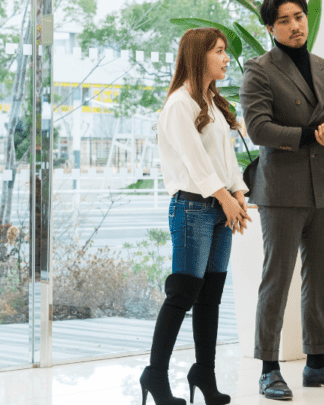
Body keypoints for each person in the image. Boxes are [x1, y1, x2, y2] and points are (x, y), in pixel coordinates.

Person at [240, 0, 324, 400]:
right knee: (276, 279)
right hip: (282, 189)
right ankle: (269, 368)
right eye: (285, 20)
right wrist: (312, 133)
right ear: (271, 27)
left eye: (299, 17)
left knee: (321, 277)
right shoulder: (259, 69)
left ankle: (316, 363)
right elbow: (258, 128)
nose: (296, 26)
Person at [142, 27, 253, 405]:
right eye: (219, 51)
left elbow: (225, 161)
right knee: (183, 294)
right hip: (192, 208)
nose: (226, 58)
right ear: (198, 55)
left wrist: (237, 193)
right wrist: (225, 198)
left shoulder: (213, 104)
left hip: (220, 207)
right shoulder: (180, 104)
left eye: (225, 51)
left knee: (211, 297)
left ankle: (204, 373)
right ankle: (154, 377)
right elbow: (195, 161)